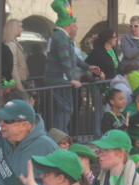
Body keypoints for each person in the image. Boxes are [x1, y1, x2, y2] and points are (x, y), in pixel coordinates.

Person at [43, 0, 100, 133]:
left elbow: (72, 57)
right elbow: (65, 60)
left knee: (62, 111)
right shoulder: (61, 38)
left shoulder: (61, 37)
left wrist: (87, 67)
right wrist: (70, 79)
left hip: (57, 80)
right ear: (68, 25)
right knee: (65, 110)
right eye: (75, 25)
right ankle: (60, 140)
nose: (77, 28)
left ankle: (60, 139)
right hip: (59, 81)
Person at [3, 19, 29, 91]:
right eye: (20, 27)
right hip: (15, 85)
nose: (22, 29)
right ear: (13, 29)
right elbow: (13, 68)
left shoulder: (14, 44)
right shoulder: (11, 45)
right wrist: (19, 87)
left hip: (18, 82)